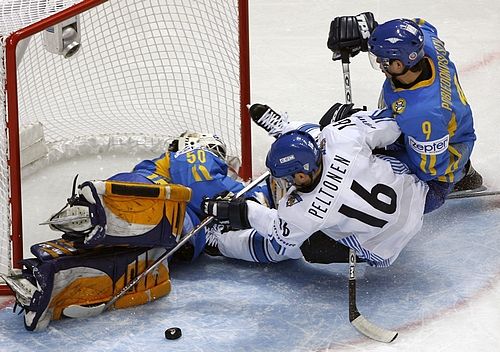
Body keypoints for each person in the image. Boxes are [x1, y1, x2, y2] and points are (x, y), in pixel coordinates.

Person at [5, 131, 271, 331]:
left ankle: (53, 282)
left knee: (131, 268)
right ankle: (99, 213)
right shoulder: (193, 155)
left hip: (175, 236)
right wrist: (245, 204)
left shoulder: (192, 189)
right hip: (156, 201)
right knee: (155, 218)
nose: (221, 163)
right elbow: (202, 182)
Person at [202, 103, 430, 268]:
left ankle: (220, 242)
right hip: (419, 194)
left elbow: (277, 237)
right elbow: (393, 124)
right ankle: (284, 127)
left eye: (288, 178)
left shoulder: (301, 212)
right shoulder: (341, 138)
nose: (286, 183)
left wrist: (245, 212)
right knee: (335, 127)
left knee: (295, 247)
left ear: (301, 176)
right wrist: (356, 118)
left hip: (382, 250)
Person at [326, 14, 483, 211]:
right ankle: (464, 171)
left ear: (399, 64)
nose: (379, 65)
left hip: (436, 175)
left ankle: (460, 174)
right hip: (439, 133)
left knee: (363, 186)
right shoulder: (426, 44)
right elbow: (419, 25)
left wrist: (370, 142)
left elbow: (429, 170)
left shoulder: (422, 114)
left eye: (381, 60)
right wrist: (372, 32)